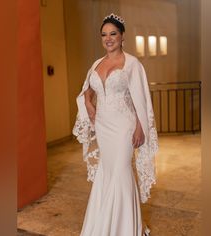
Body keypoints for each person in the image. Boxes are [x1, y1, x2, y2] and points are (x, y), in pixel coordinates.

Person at [73, 13, 158, 236]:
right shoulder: (96, 64)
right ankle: (102, 225)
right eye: (104, 34)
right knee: (107, 172)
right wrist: (89, 104)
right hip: (103, 127)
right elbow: (86, 91)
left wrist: (141, 127)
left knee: (121, 172)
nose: (108, 38)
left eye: (113, 34)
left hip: (124, 128)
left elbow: (142, 99)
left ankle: (126, 228)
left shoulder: (132, 64)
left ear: (122, 37)